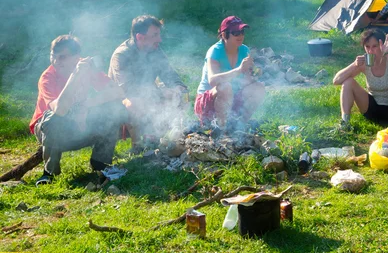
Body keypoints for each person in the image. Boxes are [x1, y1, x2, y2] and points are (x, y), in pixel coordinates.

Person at [30, 35, 127, 186]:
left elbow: (118, 93)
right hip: (50, 130)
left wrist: (88, 104)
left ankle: (100, 163)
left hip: (78, 126)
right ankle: (49, 173)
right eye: (53, 56)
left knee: (115, 108)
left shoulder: (86, 69)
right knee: (53, 118)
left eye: (62, 57)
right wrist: (74, 77)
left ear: (76, 58)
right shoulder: (48, 77)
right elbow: (60, 110)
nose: (56, 61)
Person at [108, 15, 189, 149]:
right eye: (155, 35)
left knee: (179, 94)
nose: (160, 39)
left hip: (149, 95)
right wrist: (162, 93)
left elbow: (168, 73)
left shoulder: (154, 49)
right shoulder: (121, 55)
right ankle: (137, 145)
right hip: (119, 101)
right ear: (140, 37)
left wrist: (178, 87)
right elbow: (129, 90)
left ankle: (157, 135)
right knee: (135, 102)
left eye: (159, 34)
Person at [333, 29, 388, 134]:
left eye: (375, 46)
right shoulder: (364, 62)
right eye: (367, 47)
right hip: (373, 108)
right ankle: (345, 122)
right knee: (348, 82)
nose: (370, 51)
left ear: (382, 45)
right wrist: (354, 65)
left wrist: (387, 54)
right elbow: (336, 80)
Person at [194, 16, 265, 131]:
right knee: (225, 86)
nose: (240, 36)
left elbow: (246, 81)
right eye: (236, 33)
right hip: (207, 103)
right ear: (224, 35)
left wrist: (254, 76)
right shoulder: (215, 51)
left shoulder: (244, 50)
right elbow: (212, 80)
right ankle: (221, 130)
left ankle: (239, 128)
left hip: (230, 100)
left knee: (259, 88)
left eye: (242, 32)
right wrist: (238, 70)